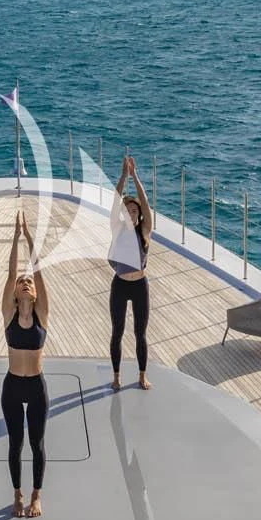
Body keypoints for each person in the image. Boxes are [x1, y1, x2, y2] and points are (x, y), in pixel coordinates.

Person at [1, 211, 49, 518]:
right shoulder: (9, 314)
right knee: (16, 443)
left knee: (37, 443)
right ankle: (17, 494)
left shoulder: (42, 314)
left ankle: (36, 495)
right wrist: (16, 239)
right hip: (12, 386)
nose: (26, 283)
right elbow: (9, 275)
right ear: (17, 294)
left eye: (29, 281)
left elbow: (40, 272)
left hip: (36, 386)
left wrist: (31, 238)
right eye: (23, 282)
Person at [108, 154, 152, 390]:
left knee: (140, 333)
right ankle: (116, 376)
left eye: (135, 211)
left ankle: (142, 375)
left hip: (139, 286)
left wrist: (135, 177)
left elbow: (145, 203)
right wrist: (124, 175)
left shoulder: (144, 232)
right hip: (120, 284)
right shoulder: (117, 228)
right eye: (128, 211)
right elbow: (115, 203)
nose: (132, 213)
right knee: (117, 332)